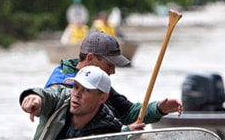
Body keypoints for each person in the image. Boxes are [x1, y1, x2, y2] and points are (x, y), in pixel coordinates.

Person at [44, 31, 182, 125]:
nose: (113, 71)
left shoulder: (98, 82)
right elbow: (49, 98)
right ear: (91, 58)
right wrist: (34, 99)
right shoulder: (62, 83)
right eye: (109, 64)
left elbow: (128, 113)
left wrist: (159, 108)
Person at [21, 65, 131, 140]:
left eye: (86, 90)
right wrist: (35, 97)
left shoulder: (108, 129)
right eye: (76, 87)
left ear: (103, 98)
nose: (77, 94)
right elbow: (48, 96)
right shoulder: (62, 98)